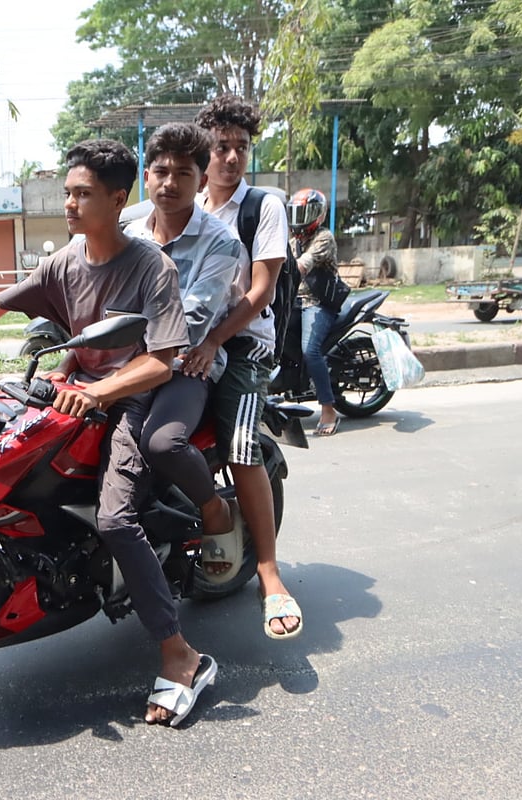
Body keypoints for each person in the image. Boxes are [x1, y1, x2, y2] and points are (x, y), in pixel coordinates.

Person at [0, 138, 217, 727]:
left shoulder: (149, 266)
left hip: (130, 403)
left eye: (83, 194)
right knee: (0, 465)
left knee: (115, 518)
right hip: (74, 397)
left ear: (117, 199)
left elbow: (163, 358)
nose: (70, 203)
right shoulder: (64, 262)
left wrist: (96, 391)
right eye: (67, 192)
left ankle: (179, 654)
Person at [184, 93, 302, 640]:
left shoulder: (264, 207)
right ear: (203, 153)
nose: (231, 158)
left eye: (241, 148)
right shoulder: (186, 203)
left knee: (239, 447)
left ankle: (268, 572)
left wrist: (212, 341)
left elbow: (259, 294)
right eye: (221, 148)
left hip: (244, 344)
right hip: (185, 340)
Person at [123, 122, 245, 580]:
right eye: (161, 171)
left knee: (161, 442)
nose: (170, 183)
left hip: (184, 367)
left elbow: (191, 323)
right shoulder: (127, 236)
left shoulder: (220, 241)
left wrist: (118, 337)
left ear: (201, 179)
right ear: (147, 176)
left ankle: (214, 509)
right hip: (123, 363)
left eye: (183, 173)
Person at [288, 187, 343, 436]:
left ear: (317, 215)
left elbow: (302, 265)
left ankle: (328, 408)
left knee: (310, 351)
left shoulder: (323, 238)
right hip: (295, 302)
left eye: (306, 212)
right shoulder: (292, 240)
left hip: (317, 304)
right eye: (298, 212)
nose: (300, 218)